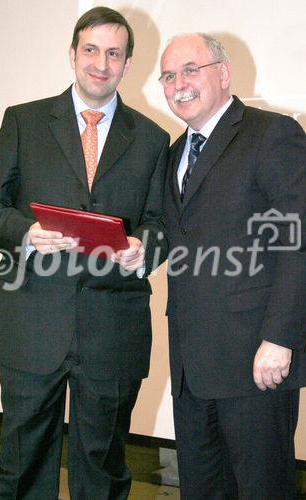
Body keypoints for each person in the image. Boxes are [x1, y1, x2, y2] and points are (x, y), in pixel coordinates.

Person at [0, 6, 169, 499]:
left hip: (112, 331)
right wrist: (24, 233)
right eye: (91, 49)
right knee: (21, 466)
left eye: (114, 53)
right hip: (31, 324)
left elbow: (162, 224)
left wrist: (143, 249)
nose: (101, 63)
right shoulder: (22, 121)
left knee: (102, 469)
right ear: (72, 54)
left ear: (128, 63)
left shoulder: (153, 139)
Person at [160, 33, 306, 499]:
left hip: (255, 362)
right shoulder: (172, 155)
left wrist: (281, 339)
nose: (178, 83)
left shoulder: (272, 133)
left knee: (262, 490)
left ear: (223, 74)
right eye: (168, 75)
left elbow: (296, 243)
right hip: (190, 369)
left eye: (190, 70)